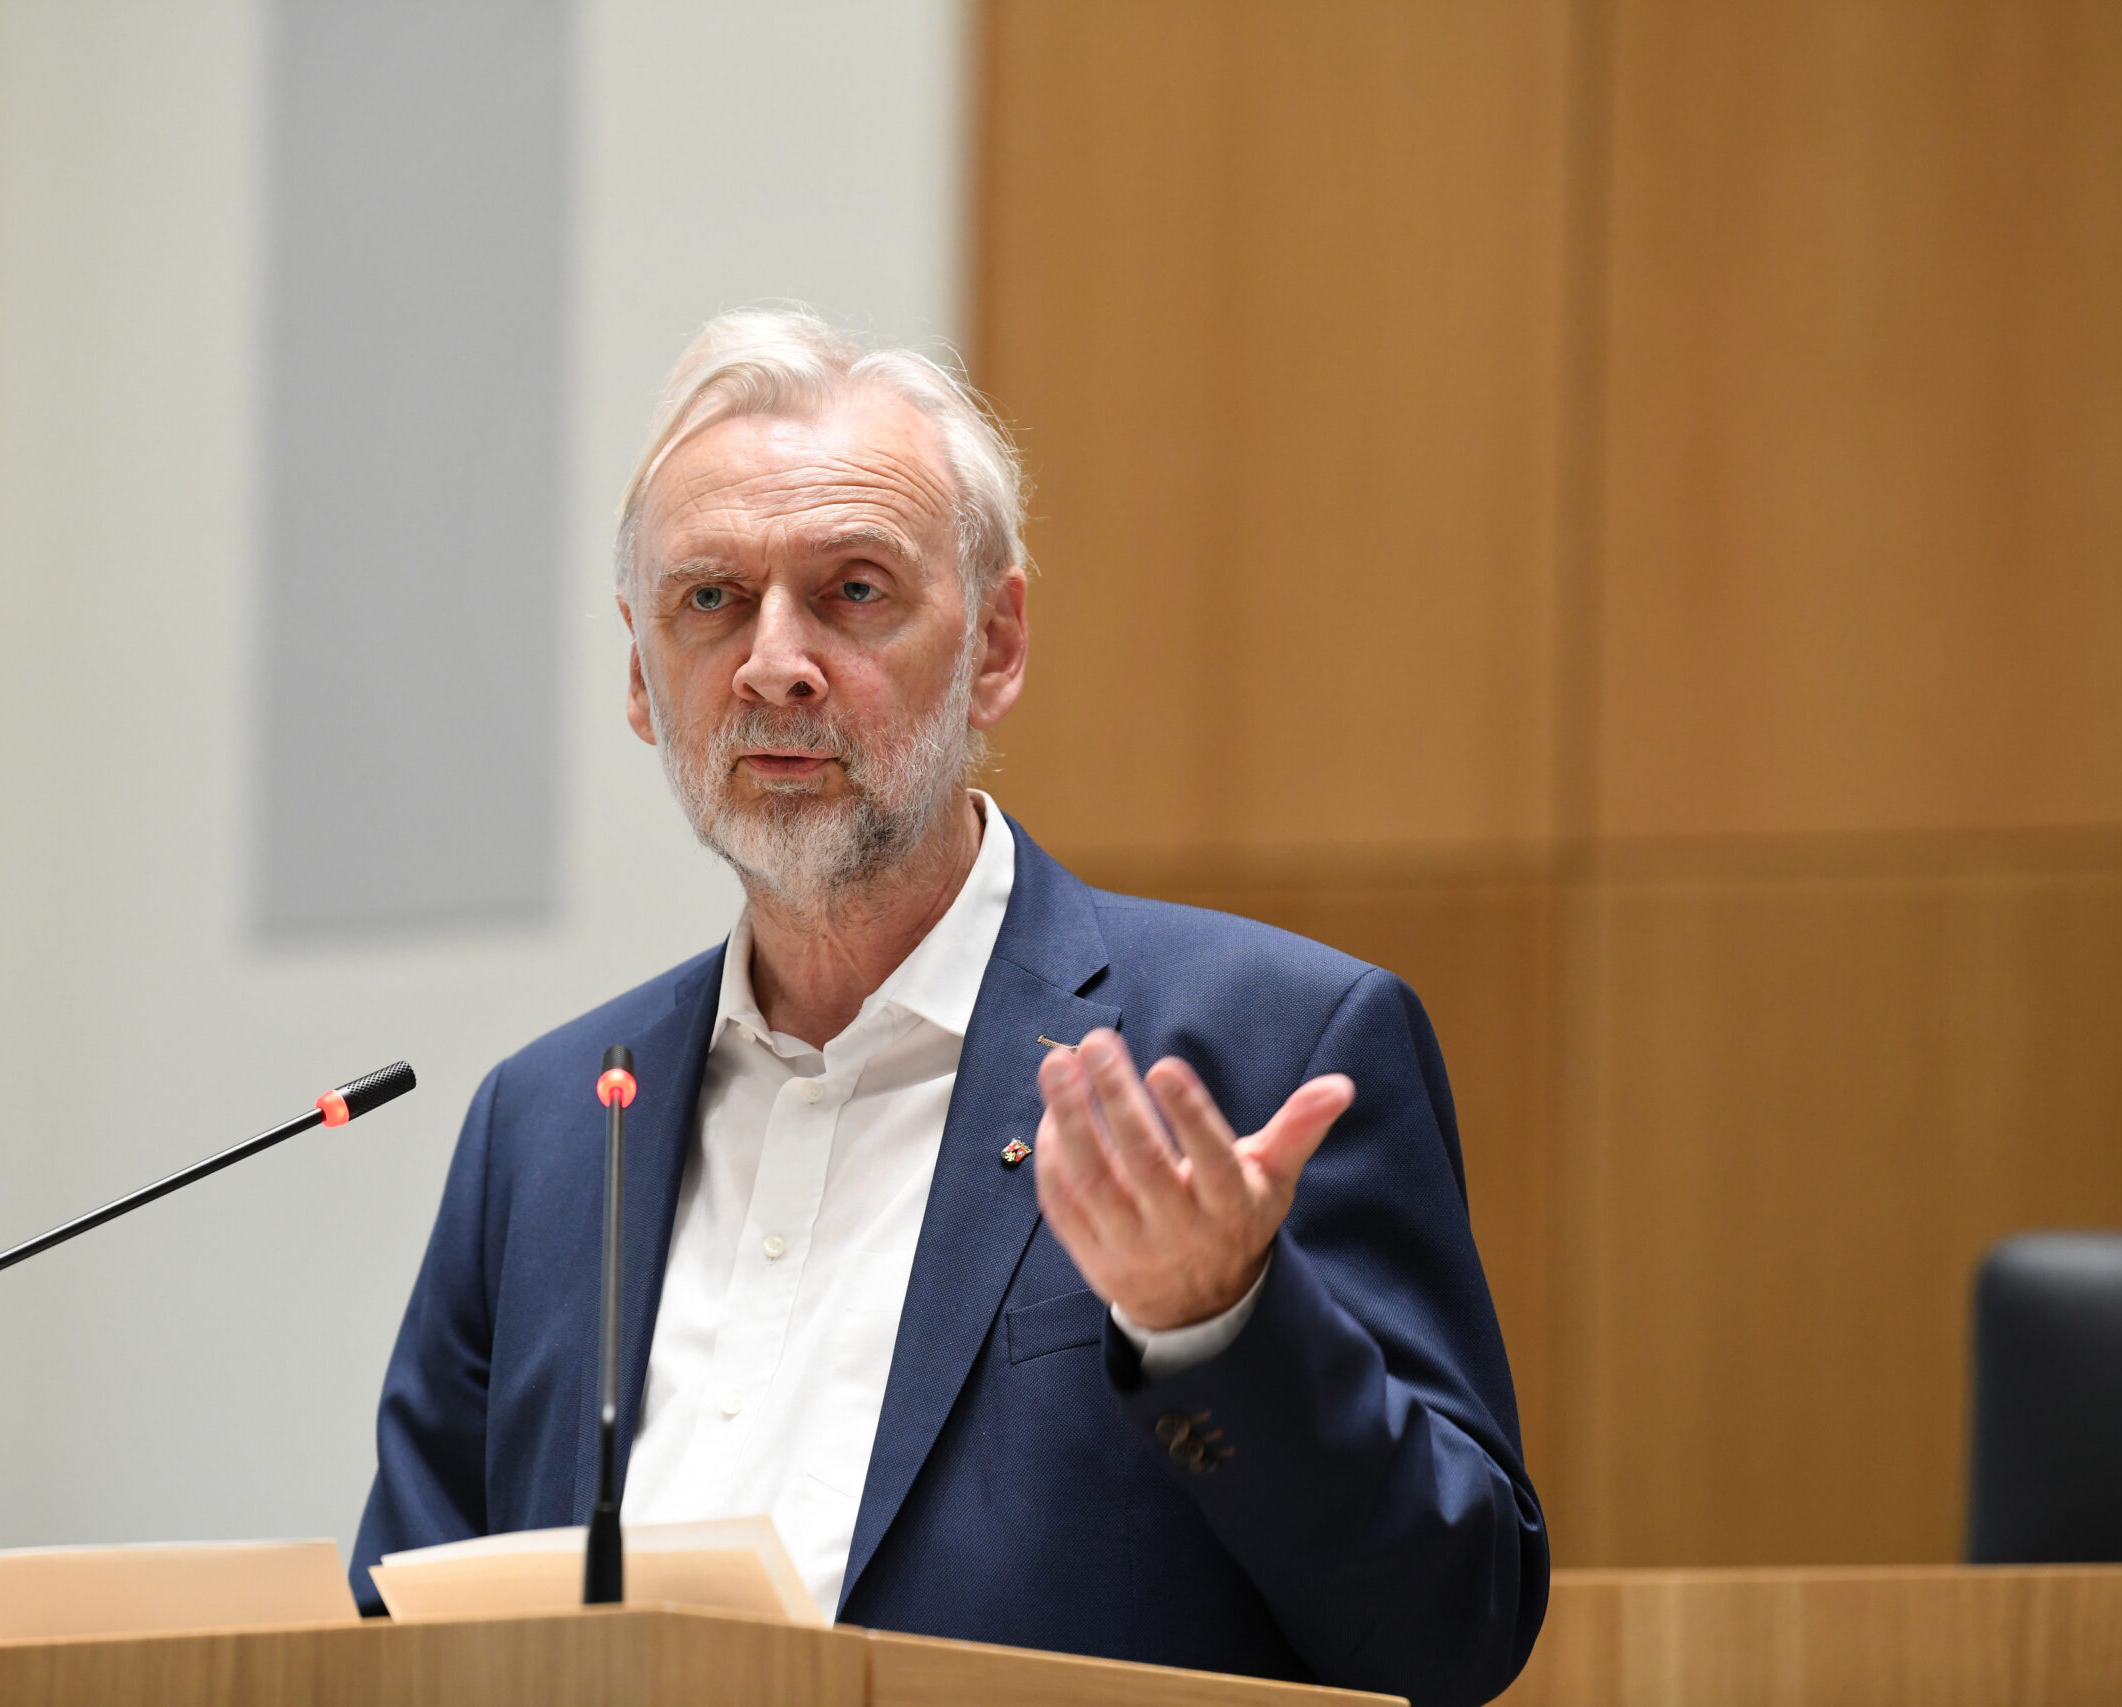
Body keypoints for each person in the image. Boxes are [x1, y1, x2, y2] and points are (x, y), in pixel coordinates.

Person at [349, 308, 1548, 1705]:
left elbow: (1455, 1630)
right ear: (637, 676)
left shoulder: (1262, 1049)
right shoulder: (547, 1127)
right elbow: (401, 1638)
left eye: (854, 592)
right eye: (709, 601)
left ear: (995, 645)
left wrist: (1219, 1327)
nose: (774, 664)